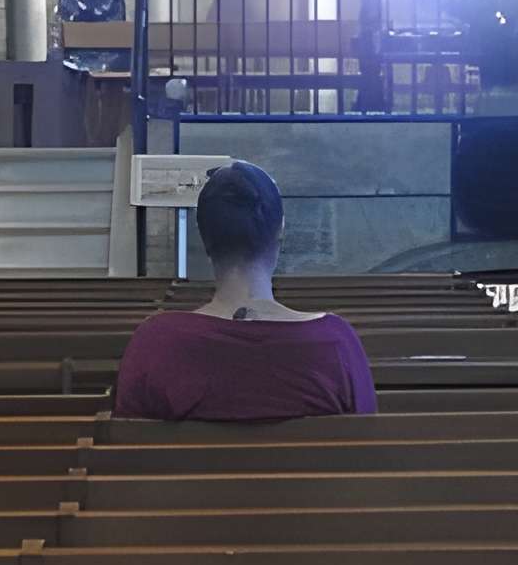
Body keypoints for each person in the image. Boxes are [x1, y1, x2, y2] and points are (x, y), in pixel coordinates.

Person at [115, 161, 378, 423]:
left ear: (205, 238)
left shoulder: (156, 344)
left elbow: (124, 452)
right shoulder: (335, 344)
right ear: (280, 233)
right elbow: (366, 447)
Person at [55, 0, 129, 147]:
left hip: (75, 64)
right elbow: (119, 28)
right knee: (111, 93)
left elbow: (61, 35)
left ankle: (85, 139)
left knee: (81, 95)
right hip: (111, 62)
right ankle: (108, 139)